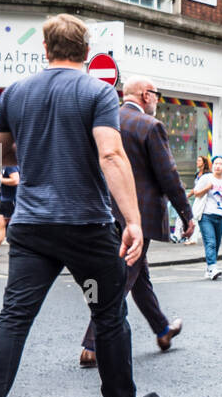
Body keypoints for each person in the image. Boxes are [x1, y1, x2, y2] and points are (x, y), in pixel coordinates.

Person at [0, 13, 159, 397]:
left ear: (45, 50)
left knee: (13, 319)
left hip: (31, 228)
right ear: (86, 53)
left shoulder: (17, 91)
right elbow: (110, 153)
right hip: (86, 227)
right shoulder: (96, 92)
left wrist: (10, 172)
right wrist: (133, 221)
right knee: (108, 314)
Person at [79, 76, 194, 366]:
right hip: (137, 218)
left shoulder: (104, 120)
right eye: (156, 94)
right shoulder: (150, 126)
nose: (157, 99)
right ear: (145, 95)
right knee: (122, 280)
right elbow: (168, 174)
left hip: (104, 211)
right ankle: (91, 345)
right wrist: (186, 213)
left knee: (137, 275)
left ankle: (163, 329)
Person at [193, 153, 222, 279]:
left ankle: (210, 268)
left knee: (217, 243)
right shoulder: (206, 178)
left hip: (220, 216)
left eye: (220, 164)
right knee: (210, 242)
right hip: (206, 215)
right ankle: (212, 267)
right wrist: (207, 188)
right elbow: (196, 193)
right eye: (215, 163)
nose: (217, 166)